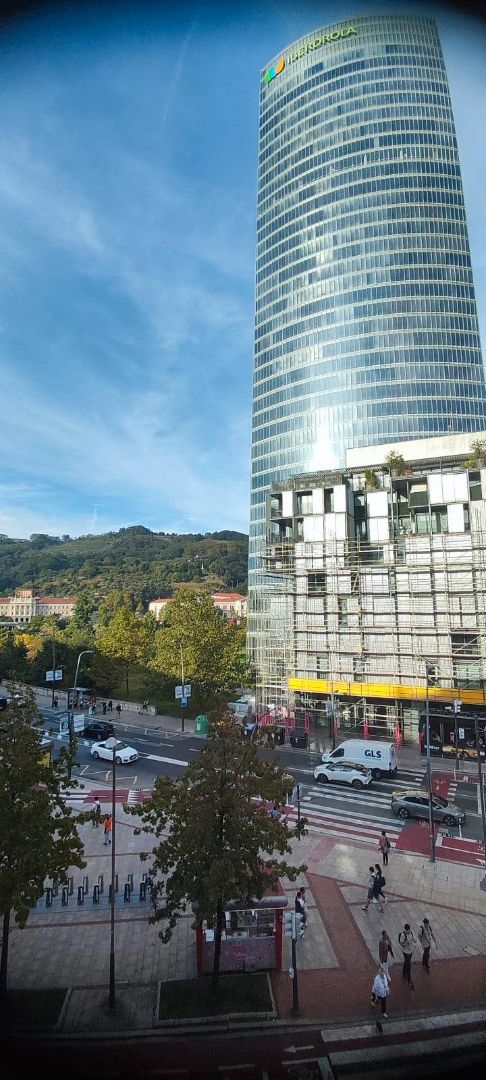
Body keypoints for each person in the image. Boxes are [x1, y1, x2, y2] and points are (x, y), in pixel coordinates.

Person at [398, 923, 416, 987]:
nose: (408, 931)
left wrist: (414, 940)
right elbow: (401, 944)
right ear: (405, 929)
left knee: (406, 962)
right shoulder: (403, 935)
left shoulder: (411, 933)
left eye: (409, 930)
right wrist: (406, 942)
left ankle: (404, 973)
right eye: (407, 930)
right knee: (409, 965)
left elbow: (414, 940)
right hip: (405, 952)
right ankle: (409, 980)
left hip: (410, 951)